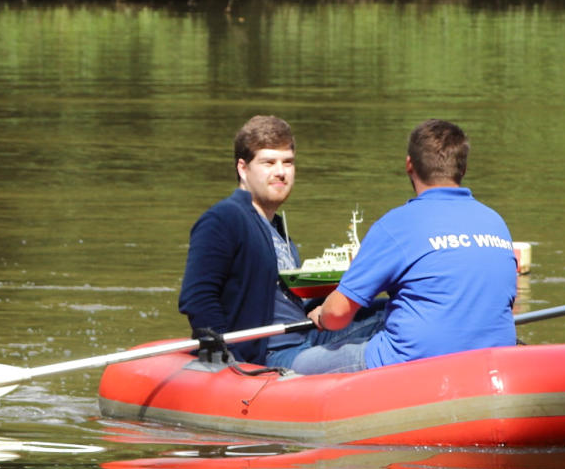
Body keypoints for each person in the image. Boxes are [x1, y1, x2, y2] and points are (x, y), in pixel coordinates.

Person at [295, 119, 517, 375]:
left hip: (414, 365)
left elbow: (337, 315)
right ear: (463, 168)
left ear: (409, 165)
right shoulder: (496, 222)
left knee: (302, 363)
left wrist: (322, 315)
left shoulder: (396, 225)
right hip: (493, 362)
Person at [178, 115, 382, 368]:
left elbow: (286, 303)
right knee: (371, 355)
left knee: (390, 310)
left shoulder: (276, 229)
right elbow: (197, 297)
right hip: (271, 355)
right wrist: (228, 360)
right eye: (268, 162)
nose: (281, 172)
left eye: (288, 162)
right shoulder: (224, 218)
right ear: (243, 168)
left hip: (306, 336)